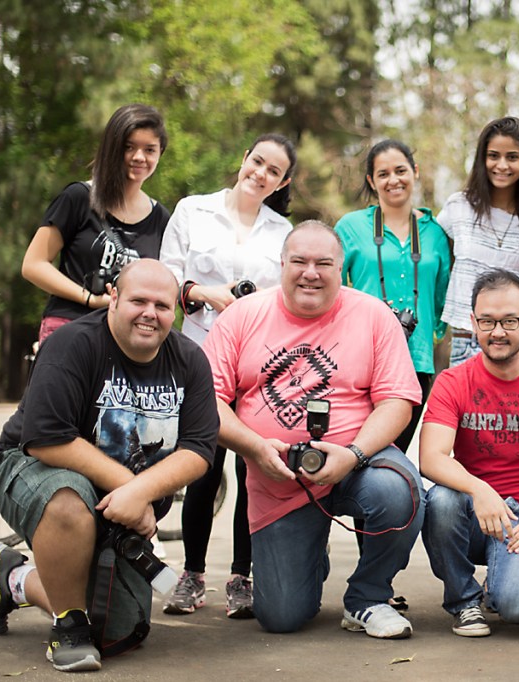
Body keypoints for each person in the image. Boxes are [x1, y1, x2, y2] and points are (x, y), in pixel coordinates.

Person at [0, 260, 218, 673]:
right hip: (30, 466)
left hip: (117, 499)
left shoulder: (190, 360)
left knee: (116, 633)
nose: (150, 313)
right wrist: (132, 487)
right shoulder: (72, 344)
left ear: (175, 312)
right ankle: (68, 627)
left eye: (162, 305)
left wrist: (138, 492)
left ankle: (14, 579)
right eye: (138, 301)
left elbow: (198, 449)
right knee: (68, 500)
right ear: (113, 298)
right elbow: (48, 439)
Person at [201, 221, 425, 639]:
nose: (311, 273)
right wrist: (254, 447)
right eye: (299, 261)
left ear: (341, 268)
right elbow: (206, 401)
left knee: (400, 493)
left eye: (323, 263)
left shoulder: (374, 315)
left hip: (358, 464)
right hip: (278, 479)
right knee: (281, 619)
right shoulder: (240, 318)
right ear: (281, 264)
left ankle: (367, 597)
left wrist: (354, 454)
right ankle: (308, 551)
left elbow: (398, 401)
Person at [158, 133, 297, 619]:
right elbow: (166, 276)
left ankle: (242, 576)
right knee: (201, 464)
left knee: (252, 468)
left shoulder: (283, 231)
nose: (260, 174)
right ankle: (192, 575)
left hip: (258, 364)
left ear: (283, 182)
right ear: (243, 159)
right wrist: (206, 293)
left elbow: (286, 299)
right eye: (257, 162)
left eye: (273, 171)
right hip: (197, 357)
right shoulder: (192, 210)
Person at [420, 269, 519, 637]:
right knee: (441, 499)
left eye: (509, 321)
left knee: (516, 609)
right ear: (473, 322)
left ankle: (502, 583)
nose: (497, 332)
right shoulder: (453, 381)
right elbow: (431, 458)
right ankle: (464, 602)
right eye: (488, 321)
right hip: (473, 512)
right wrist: (480, 490)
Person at [335, 139, 451, 452]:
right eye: (383, 174)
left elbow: (441, 298)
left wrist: (429, 332)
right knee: (352, 451)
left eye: (400, 170)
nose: (393, 180)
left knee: (391, 456)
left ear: (415, 172)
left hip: (416, 362)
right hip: (359, 359)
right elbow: (332, 289)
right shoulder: (351, 227)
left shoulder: (436, 233)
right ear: (371, 181)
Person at [21, 104, 170, 344]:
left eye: (149, 149)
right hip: (68, 328)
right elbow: (33, 265)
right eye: (129, 147)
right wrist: (89, 299)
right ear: (113, 148)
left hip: (123, 341)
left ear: (160, 153)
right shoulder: (79, 197)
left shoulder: (160, 219)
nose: (139, 157)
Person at [438, 116, 519, 366]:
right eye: (493, 156)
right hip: (468, 337)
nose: (502, 165)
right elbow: (438, 259)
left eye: (512, 157)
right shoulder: (459, 206)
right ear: (482, 159)